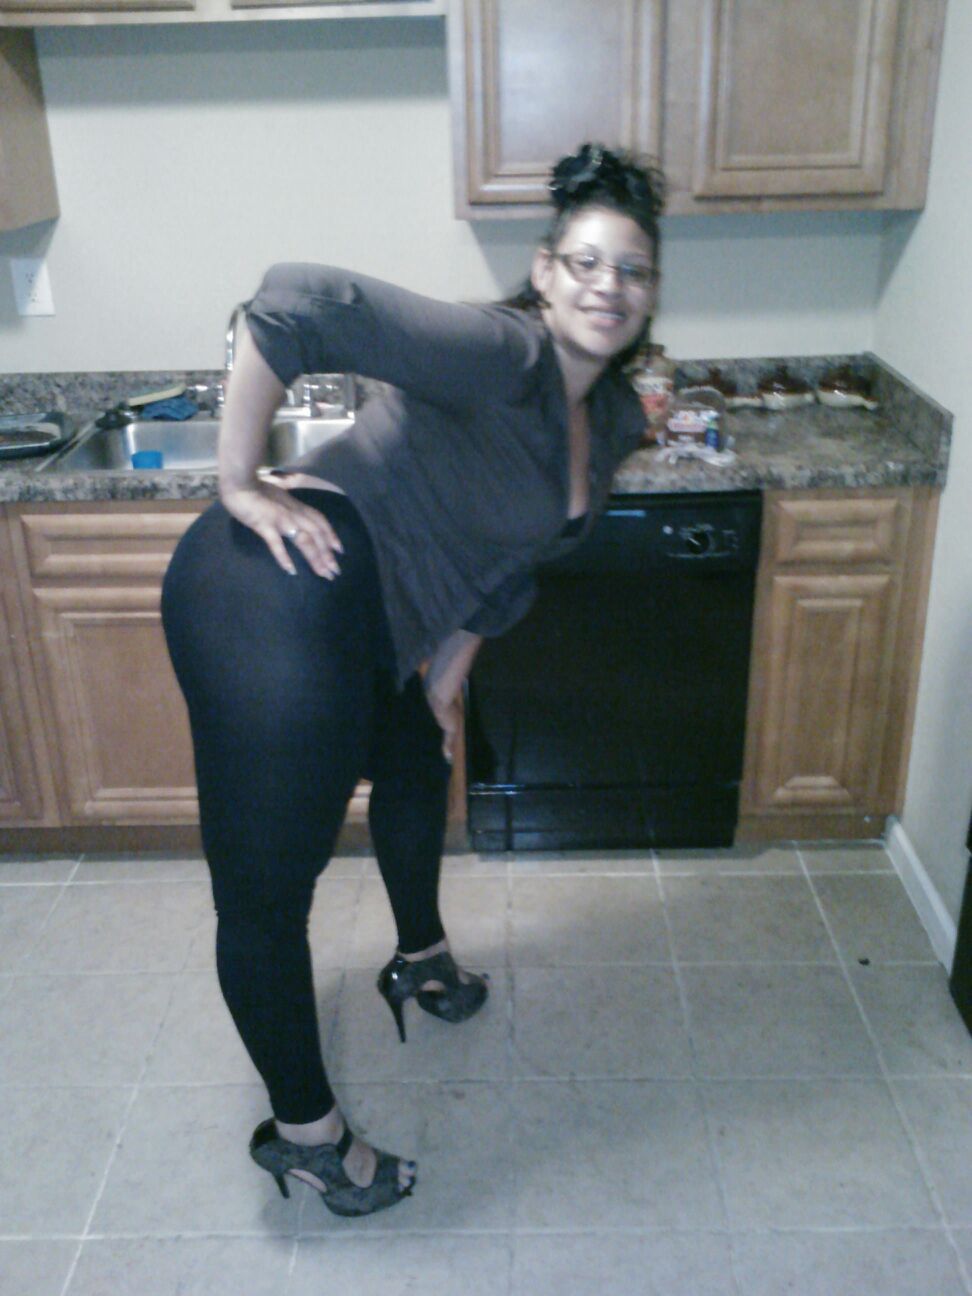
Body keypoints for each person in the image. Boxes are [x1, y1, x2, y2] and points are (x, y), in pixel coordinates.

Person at [161, 142, 664, 1218]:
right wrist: (238, 480)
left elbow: (515, 563)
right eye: (585, 262)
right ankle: (307, 1140)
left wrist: (442, 685)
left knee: (415, 760)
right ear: (544, 271)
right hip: (281, 584)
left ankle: (420, 958)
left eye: (631, 268)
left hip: (371, 629)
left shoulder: (612, 417)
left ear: (651, 291)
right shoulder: (507, 354)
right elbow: (298, 300)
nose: (607, 286)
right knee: (266, 896)